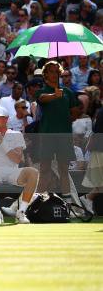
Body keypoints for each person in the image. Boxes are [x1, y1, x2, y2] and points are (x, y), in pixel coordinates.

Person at [0, 106, 39, 225]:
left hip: (12, 172)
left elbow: (17, 159)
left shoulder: (16, 134)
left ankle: (21, 213)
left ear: (6, 119)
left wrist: (1, 140)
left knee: (33, 172)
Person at [36, 61, 81, 205]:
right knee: (44, 169)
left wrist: (67, 118)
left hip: (64, 136)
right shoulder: (41, 91)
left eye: (57, 71)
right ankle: (36, 202)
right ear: (45, 74)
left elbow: (75, 112)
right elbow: (42, 99)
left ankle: (68, 204)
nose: (55, 74)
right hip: (47, 135)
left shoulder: (68, 92)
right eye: (51, 71)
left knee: (63, 169)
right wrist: (55, 95)